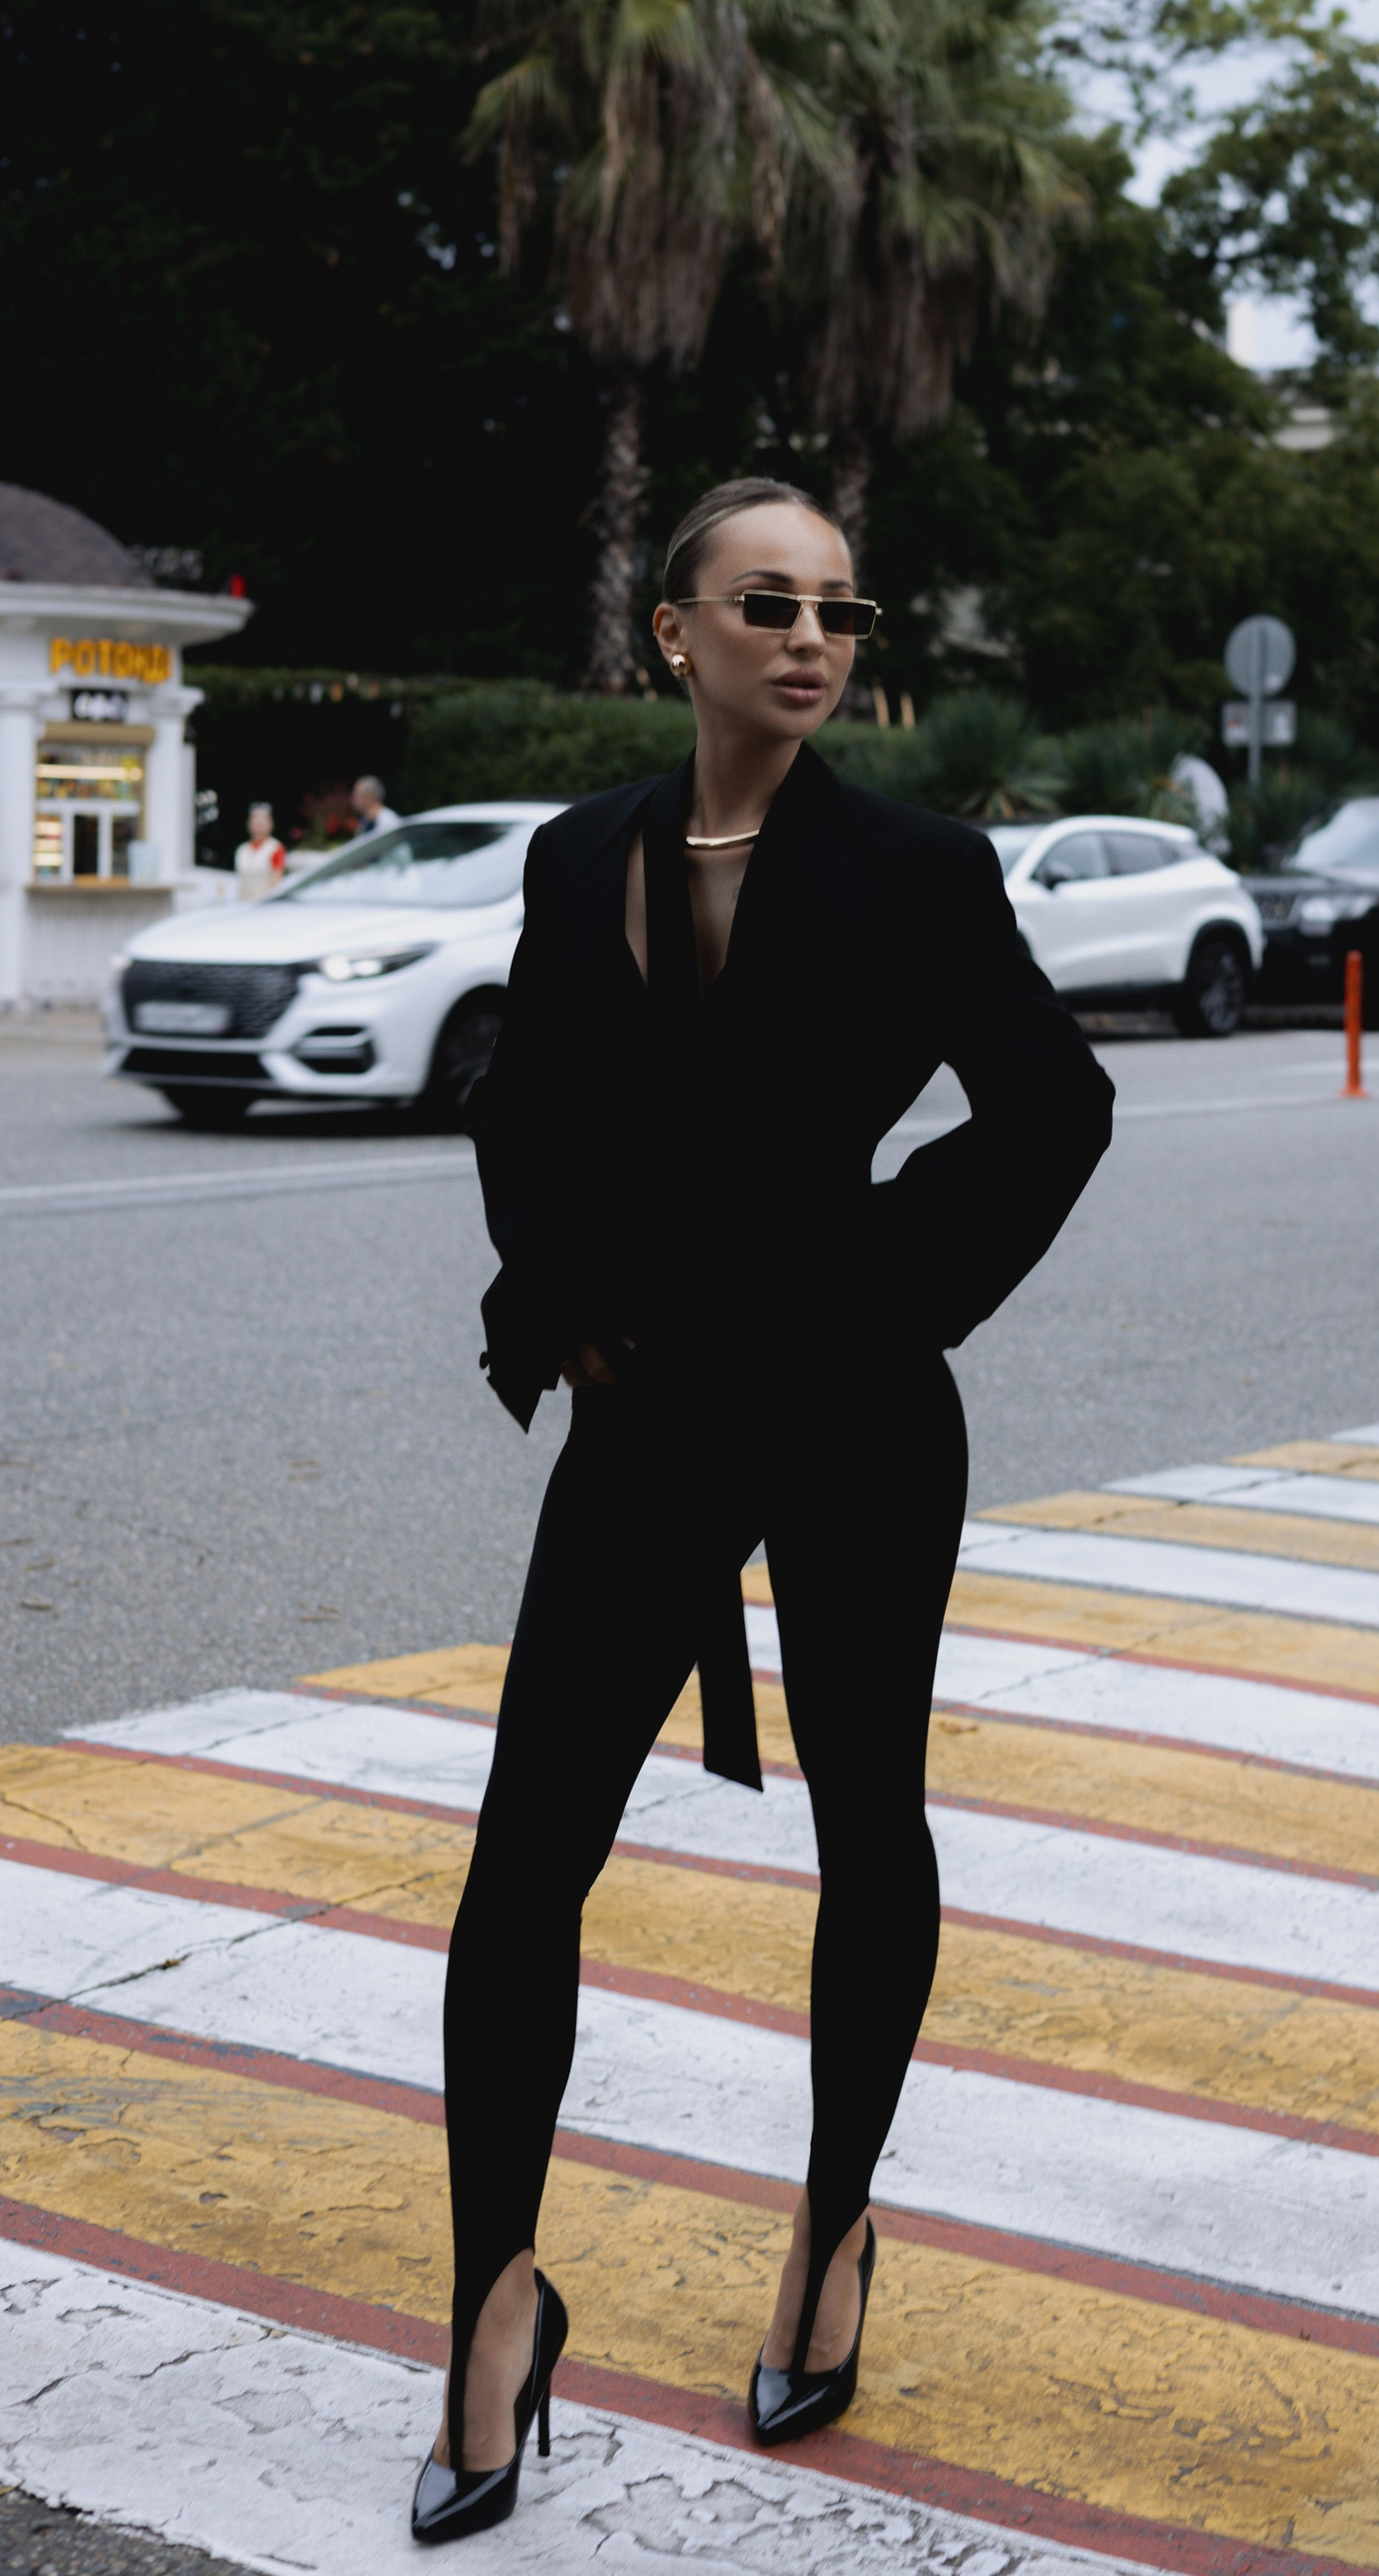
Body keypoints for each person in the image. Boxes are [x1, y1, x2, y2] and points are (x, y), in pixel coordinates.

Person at [410, 477, 1114, 2545]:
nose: (812, 637)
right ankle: (495, 2309)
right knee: (522, 1864)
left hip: (860, 1411)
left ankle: (833, 2227)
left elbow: (1057, 1107)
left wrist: (876, 1279)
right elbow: (524, 1098)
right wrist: (558, 1299)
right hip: (652, 1414)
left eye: (840, 610)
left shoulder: (915, 868)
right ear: (674, 631)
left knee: (867, 1820)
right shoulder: (581, 853)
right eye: (769, 602)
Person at [233, 802, 286, 900]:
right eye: (255, 821)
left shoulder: (275, 848)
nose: (258, 824)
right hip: (243, 902)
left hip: (265, 904)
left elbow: (277, 880)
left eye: (263, 821)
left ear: (270, 824)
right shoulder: (242, 850)